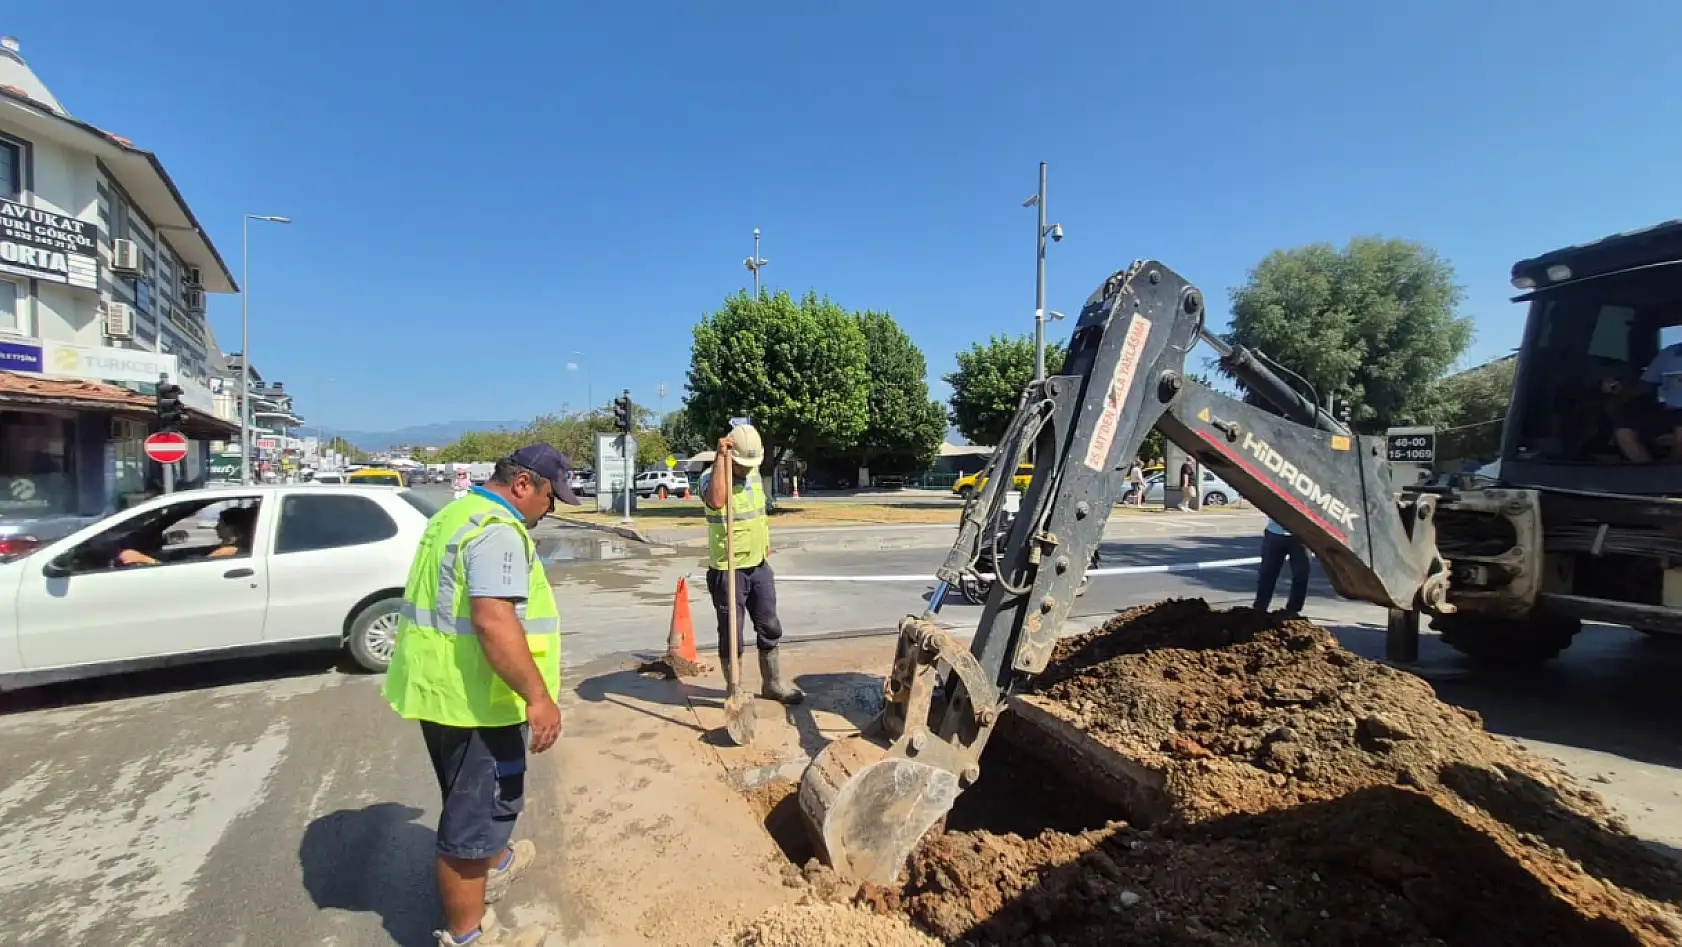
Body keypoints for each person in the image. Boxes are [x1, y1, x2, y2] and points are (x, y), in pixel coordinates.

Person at [383, 444, 580, 947]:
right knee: (472, 824)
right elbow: (494, 621)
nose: (550, 508)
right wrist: (538, 697)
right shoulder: (497, 531)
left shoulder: (457, 514)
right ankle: (469, 935)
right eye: (550, 496)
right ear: (523, 485)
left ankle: (497, 858)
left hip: (442, 691)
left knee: (471, 803)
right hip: (480, 703)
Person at [700, 423, 804, 705]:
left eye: (750, 465)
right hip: (728, 569)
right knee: (731, 634)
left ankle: (772, 683)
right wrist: (720, 459)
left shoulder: (754, 474)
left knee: (770, 625)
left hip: (758, 565)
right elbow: (716, 501)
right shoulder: (711, 477)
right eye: (741, 465)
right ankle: (734, 688)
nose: (746, 470)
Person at [118, 504, 257, 566]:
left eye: (220, 524)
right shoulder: (232, 548)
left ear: (231, 528)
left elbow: (186, 576)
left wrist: (143, 559)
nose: (215, 527)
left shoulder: (227, 552)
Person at [1254, 518, 1309, 617]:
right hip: (1275, 533)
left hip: (1302, 535)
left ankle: (1293, 611)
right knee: (1267, 573)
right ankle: (1259, 609)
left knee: (1301, 575)